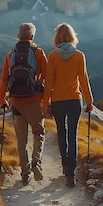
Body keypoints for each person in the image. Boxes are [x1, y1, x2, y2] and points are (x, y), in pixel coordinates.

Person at [42, 23, 94, 188]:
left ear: (57, 37)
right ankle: (71, 172)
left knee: (62, 133)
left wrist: (45, 103)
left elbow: (49, 81)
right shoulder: (79, 56)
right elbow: (83, 80)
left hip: (57, 101)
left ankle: (65, 167)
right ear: (72, 37)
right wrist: (89, 101)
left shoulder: (52, 56)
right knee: (73, 134)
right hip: (74, 100)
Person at [0, 22, 48, 185]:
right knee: (39, 133)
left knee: (21, 140)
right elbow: (48, 78)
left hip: (16, 102)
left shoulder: (10, 54)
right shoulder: (38, 53)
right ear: (32, 37)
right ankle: (36, 162)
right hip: (33, 101)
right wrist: (47, 101)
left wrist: (2, 99)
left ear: (18, 36)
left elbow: (4, 79)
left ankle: (25, 173)